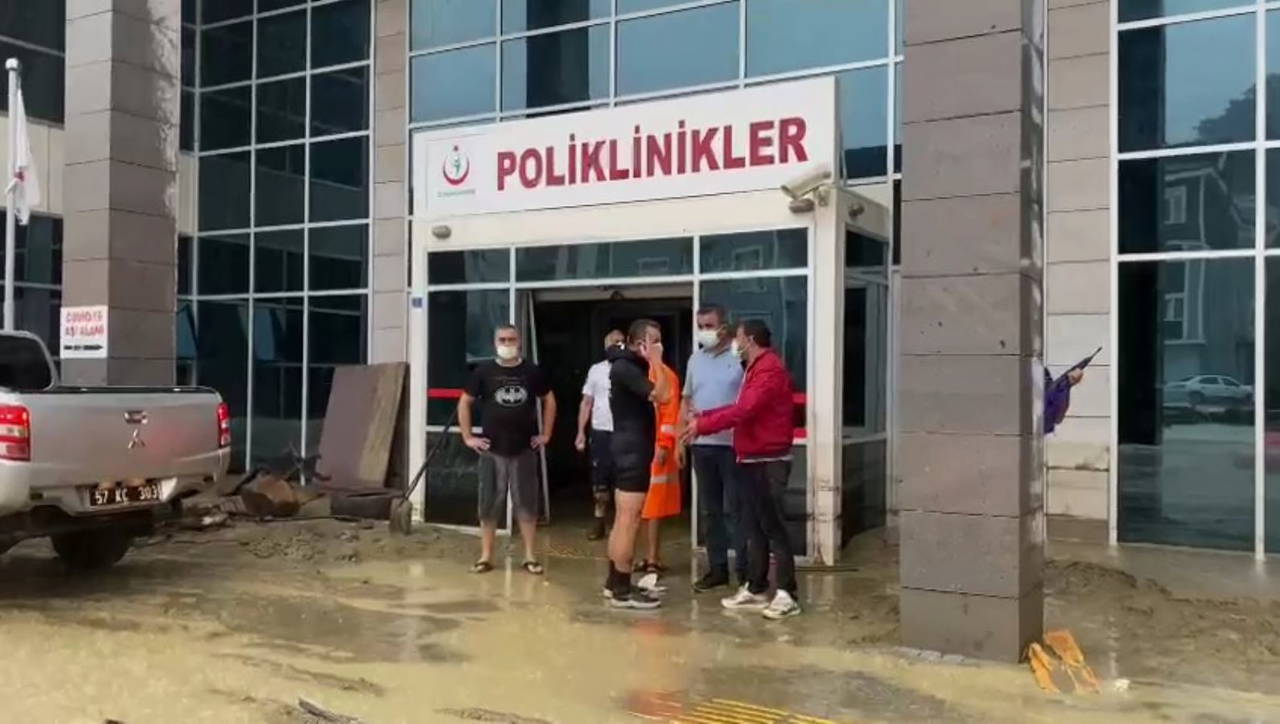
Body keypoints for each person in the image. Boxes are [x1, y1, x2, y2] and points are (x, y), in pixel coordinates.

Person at [685, 320, 801, 620]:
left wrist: (703, 425)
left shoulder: (769, 370)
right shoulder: (754, 368)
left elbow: (745, 409)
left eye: (738, 338)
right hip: (751, 458)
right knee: (754, 527)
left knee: (774, 528)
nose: (735, 344)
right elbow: (740, 405)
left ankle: (787, 593)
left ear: (750, 340)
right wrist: (705, 415)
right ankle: (756, 587)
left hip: (769, 459)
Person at [458, 324, 556, 576]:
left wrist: (546, 434)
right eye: (502, 339)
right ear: (494, 343)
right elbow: (464, 402)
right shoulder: (483, 372)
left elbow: (549, 400)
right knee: (489, 504)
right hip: (492, 449)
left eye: (511, 339)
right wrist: (468, 437)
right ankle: (486, 556)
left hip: (523, 449)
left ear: (520, 341)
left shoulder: (532, 371)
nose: (507, 343)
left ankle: (530, 556)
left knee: (527, 505)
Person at [603, 319, 672, 609]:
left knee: (623, 518)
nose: (658, 346)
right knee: (629, 520)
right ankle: (622, 588)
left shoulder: (626, 366)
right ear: (637, 343)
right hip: (631, 452)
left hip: (628, 448)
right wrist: (657, 362)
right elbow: (663, 395)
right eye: (653, 340)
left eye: (659, 340)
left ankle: (614, 582)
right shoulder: (626, 368)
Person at [681, 304, 747, 593]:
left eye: (709, 326)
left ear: (723, 328)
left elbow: (748, 402)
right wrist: (683, 430)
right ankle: (717, 569)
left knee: (736, 510)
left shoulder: (739, 357)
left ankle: (744, 571)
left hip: (732, 445)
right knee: (710, 511)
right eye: (700, 326)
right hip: (702, 446)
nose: (704, 331)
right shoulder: (695, 360)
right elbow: (686, 398)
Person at [576, 330, 626, 541]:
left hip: (626, 432)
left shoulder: (633, 369)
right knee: (600, 480)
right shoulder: (596, 370)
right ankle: (599, 521)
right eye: (614, 342)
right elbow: (586, 402)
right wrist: (580, 432)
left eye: (621, 342)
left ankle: (623, 525)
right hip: (601, 432)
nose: (618, 345)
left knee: (625, 481)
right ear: (605, 346)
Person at [636, 356, 683, 578]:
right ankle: (647, 556)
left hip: (655, 447)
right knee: (639, 505)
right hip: (637, 446)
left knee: (653, 506)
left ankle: (653, 557)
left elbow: (670, 413)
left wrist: (664, 444)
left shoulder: (665, 375)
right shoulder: (634, 371)